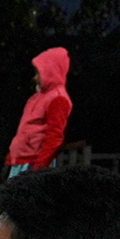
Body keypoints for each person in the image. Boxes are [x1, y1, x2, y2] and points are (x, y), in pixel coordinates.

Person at [4, 47, 72, 178]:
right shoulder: (38, 96)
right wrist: (10, 159)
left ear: (51, 71)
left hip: (33, 162)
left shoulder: (58, 98)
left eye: (39, 72)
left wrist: (39, 167)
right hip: (20, 161)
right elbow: (25, 130)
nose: (35, 77)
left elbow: (54, 136)